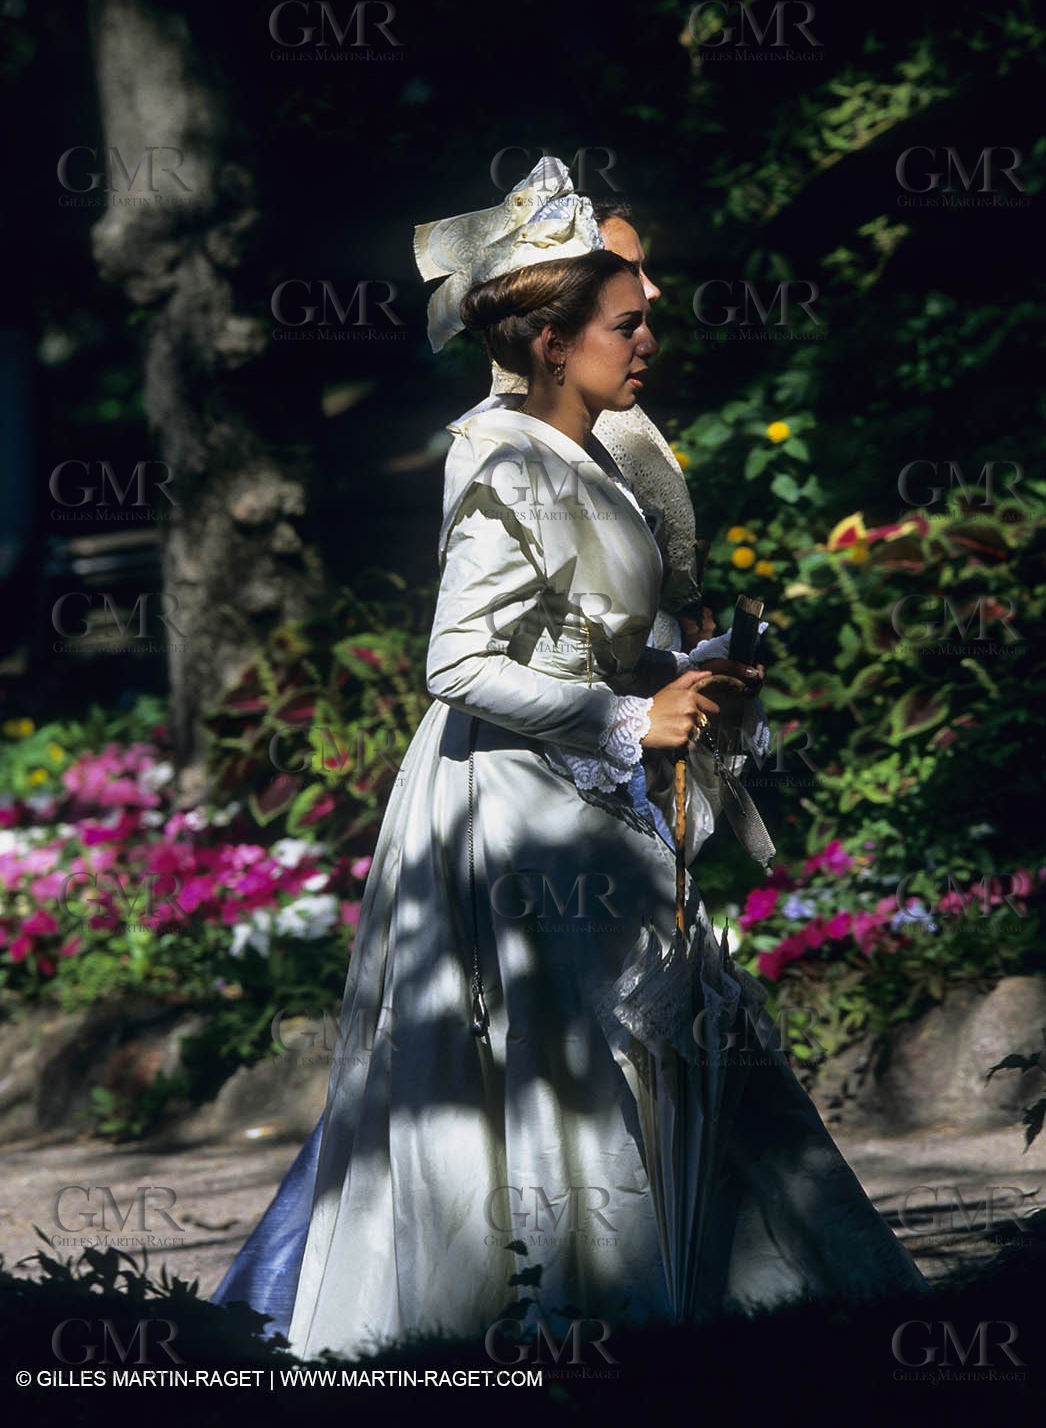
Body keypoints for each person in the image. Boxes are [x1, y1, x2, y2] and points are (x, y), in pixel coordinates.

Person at [215, 163, 928, 1357]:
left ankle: (703, 1304)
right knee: (569, 1049)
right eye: (626, 319)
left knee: (663, 1031)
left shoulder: (596, 445)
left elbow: (590, 635)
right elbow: (457, 663)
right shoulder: (499, 456)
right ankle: (566, 1316)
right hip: (510, 805)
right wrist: (620, 722)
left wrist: (685, 671)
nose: (651, 332)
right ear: (549, 341)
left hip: (586, 794)